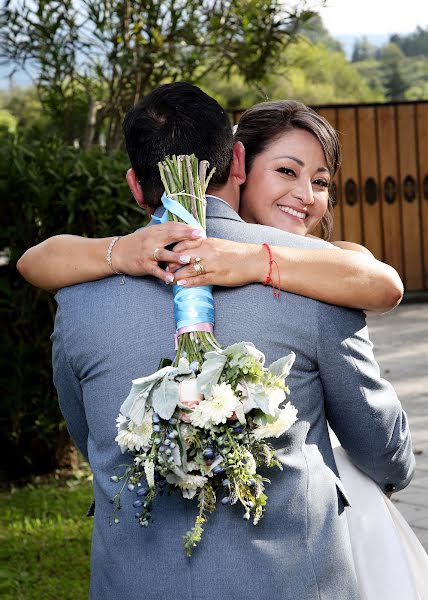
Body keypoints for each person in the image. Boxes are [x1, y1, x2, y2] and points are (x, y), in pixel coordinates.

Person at [19, 83, 416, 600]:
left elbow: (93, 436)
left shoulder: (78, 298)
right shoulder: (316, 278)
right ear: (237, 162)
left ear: (137, 187)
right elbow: (378, 438)